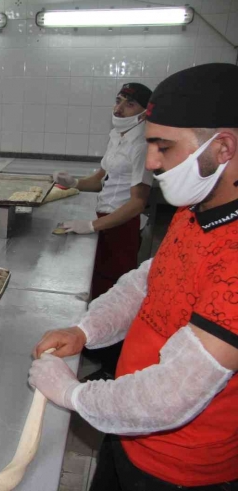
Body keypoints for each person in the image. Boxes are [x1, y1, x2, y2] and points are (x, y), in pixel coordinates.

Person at [29, 63, 238, 490]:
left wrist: (74, 395)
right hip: (128, 430)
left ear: (223, 147)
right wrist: (86, 328)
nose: (151, 162)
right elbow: (147, 281)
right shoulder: (194, 211)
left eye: (163, 146)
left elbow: (172, 394)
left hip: (181, 468)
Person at [54, 83, 153, 378]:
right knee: (97, 287)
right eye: (118, 100)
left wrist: (92, 225)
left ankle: (112, 367)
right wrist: (74, 182)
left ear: (144, 111)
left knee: (114, 292)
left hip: (120, 225)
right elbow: (101, 179)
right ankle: (96, 351)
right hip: (104, 218)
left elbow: (137, 202)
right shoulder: (118, 135)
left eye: (129, 104)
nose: (119, 109)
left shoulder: (143, 144)